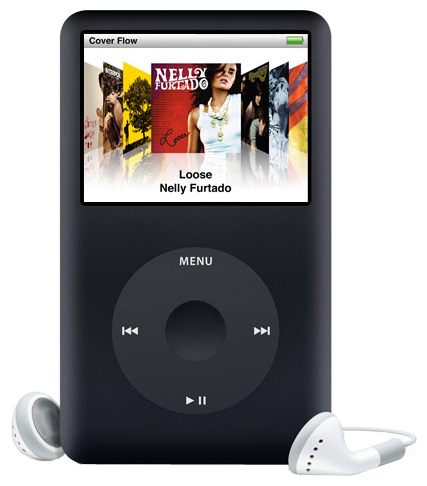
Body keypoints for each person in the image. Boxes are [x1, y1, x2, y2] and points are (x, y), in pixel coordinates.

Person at [187, 64, 241, 154]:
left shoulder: (240, 102)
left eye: (231, 72)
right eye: (220, 70)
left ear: (235, 79)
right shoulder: (196, 115)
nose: (225, 74)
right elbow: (192, 160)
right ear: (209, 73)